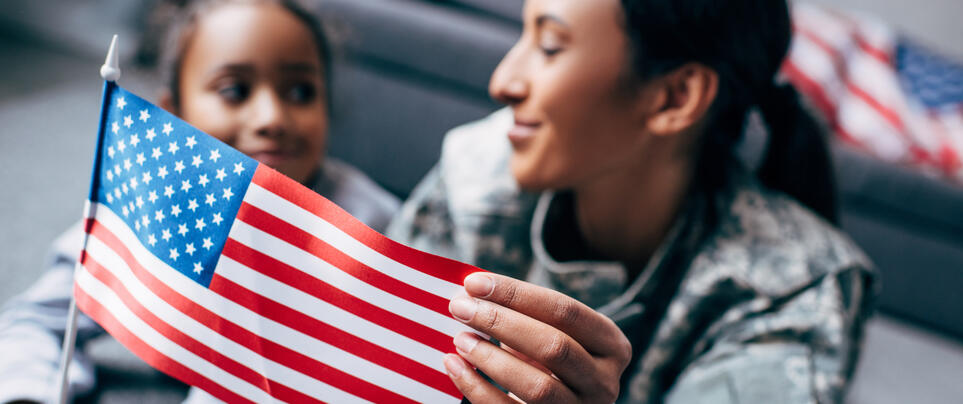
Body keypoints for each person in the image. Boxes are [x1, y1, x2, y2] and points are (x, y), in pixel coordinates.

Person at [386, 0, 877, 402]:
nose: (504, 81)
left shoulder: (796, 289)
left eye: (551, 46)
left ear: (675, 97)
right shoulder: (477, 171)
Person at [0, 0, 399, 402]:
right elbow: (37, 321)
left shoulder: (370, 221)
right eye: (234, 91)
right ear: (175, 113)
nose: (271, 117)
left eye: (300, 92)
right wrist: (29, 393)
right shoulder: (151, 211)